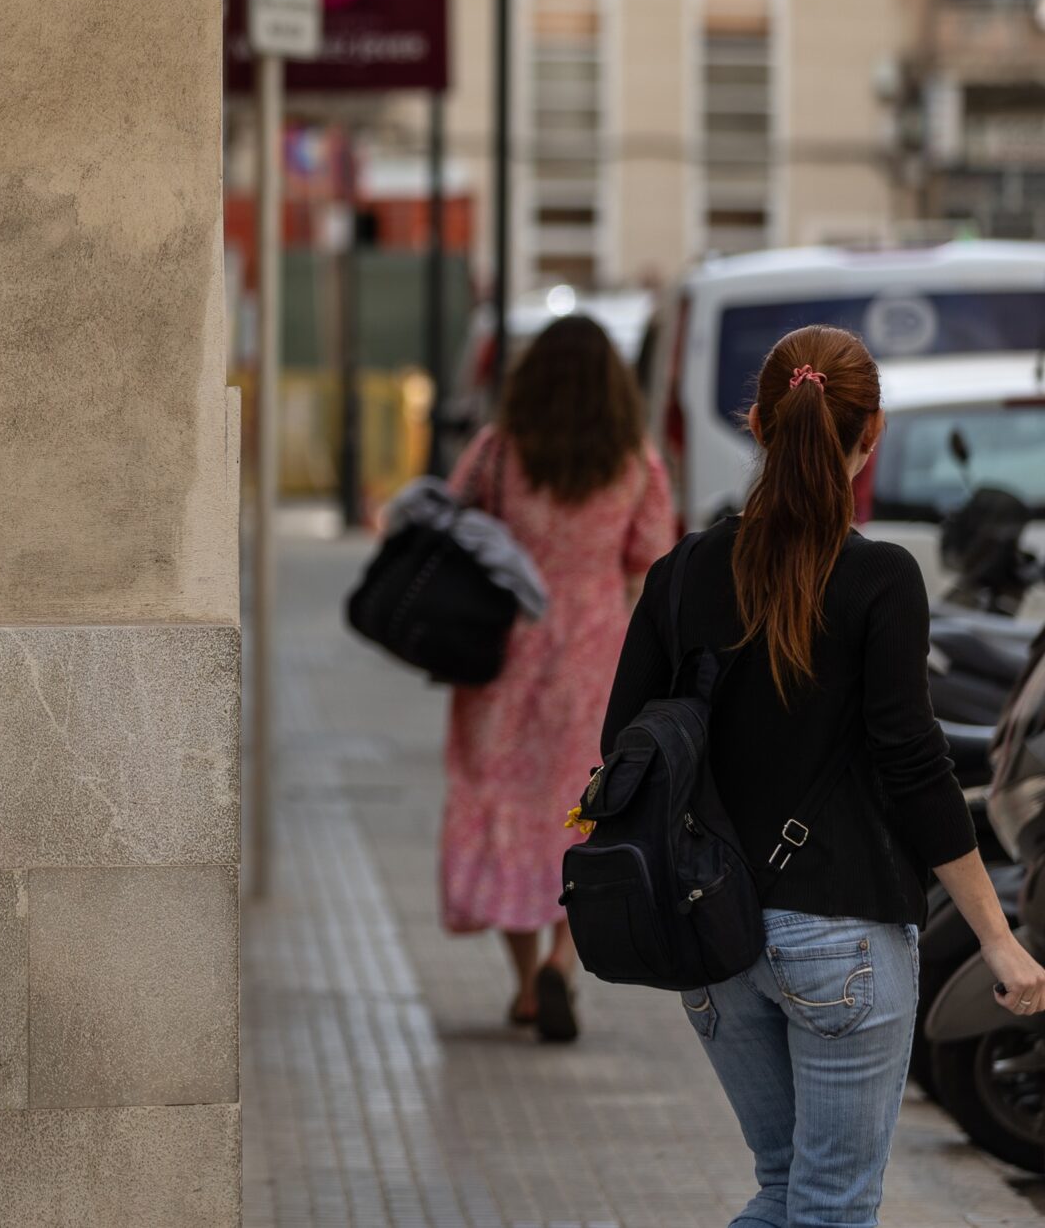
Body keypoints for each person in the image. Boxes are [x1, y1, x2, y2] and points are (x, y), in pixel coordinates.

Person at [605, 324, 1045, 1226]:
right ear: (870, 433)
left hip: (712, 934)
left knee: (789, 1191)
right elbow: (915, 765)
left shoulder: (683, 572)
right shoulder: (882, 579)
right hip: (843, 939)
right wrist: (998, 939)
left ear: (757, 423)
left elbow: (624, 742)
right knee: (830, 1205)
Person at [443, 313, 673, 1042]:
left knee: (504, 805)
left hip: (504, 656)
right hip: (596, 663)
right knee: (586, 809)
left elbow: (452, 520)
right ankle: (562, 961)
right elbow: (650, 565)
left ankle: (524, 986)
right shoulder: (636, 463)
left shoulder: (499, 451)